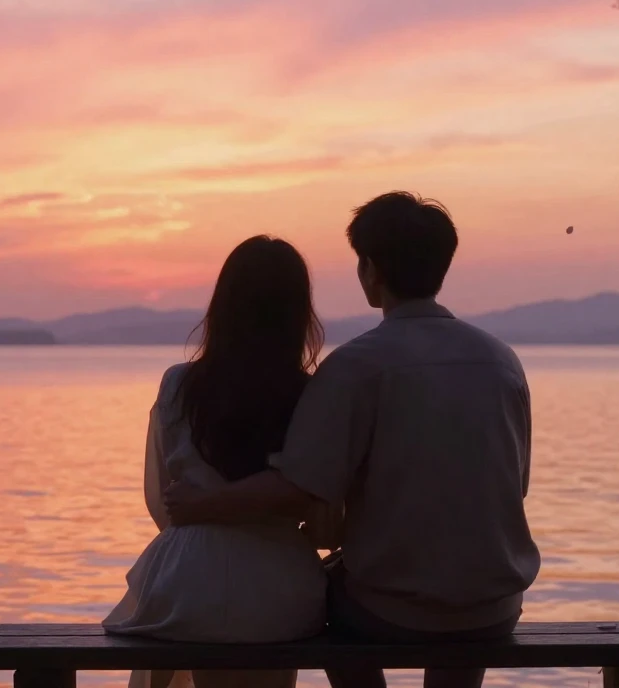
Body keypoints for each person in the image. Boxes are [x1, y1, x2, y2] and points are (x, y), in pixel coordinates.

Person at [165, 192, 541, 688]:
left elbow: (298, 487)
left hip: (390, 609)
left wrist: (205, 505)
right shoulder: (501, 361)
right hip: (496, 603)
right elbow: (516, 485)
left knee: (326, 601)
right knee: (454, 607)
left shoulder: (356, 367)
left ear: (370, 269)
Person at [103, 235, 340, 688]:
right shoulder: (311, 394)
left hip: (187, 582)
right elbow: (321, 513)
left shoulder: (179, 386)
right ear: (297, 315)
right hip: (280, 588)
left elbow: (162, 502)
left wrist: (205, 523)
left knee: (204, 617)